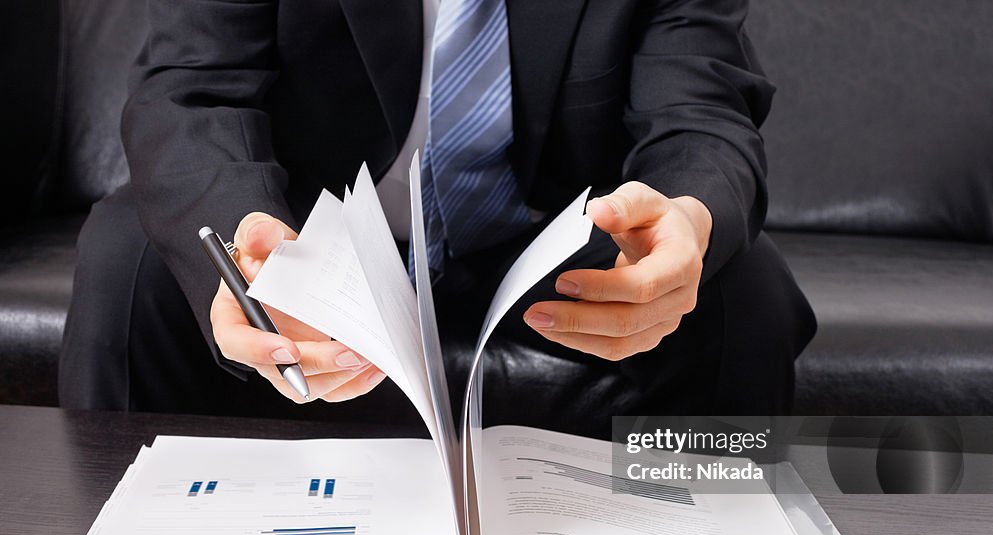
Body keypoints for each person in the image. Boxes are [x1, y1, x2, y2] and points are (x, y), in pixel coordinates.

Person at [59, 0, 816, 437]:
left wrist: (687, 218)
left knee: (738, 290)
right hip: (318, 234)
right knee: (130, 263)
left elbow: (702, 109)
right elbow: (192, 89)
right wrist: (249, 242)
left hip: (548, 243)